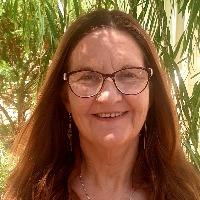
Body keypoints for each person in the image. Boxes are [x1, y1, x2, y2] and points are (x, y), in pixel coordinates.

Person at [3, 9, 200, 200]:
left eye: (129, 74)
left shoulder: (190, 193)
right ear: (65, 98)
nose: (108, 96)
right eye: (88, 77)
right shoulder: (28, 194)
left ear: (151, 94)